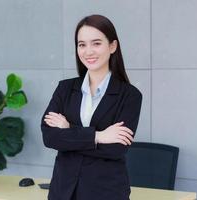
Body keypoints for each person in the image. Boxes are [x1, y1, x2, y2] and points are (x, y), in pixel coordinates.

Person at [41, 14, 142, 200]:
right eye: (82, 44)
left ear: (112, 46)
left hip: (105, 193)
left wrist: (69, 130)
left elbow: (116, 149)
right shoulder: (65, 89)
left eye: (96, 43)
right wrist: (99, 136)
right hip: (63, 192)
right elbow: (50, 137)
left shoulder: (130, 95)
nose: (88, 51)